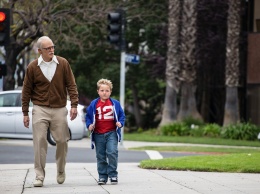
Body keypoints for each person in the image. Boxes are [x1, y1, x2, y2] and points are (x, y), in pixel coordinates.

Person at [22, 36, 79, 187]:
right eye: (48, 48)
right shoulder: (33, 67)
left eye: (53, 47)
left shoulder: (63, 63)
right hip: (40, 108)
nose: (51, 50)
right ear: (40, 51)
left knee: (62, 140)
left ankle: (61, 169)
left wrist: (74, 104)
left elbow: (71, 85)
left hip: (59, 108)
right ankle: (39, 176)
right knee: (40, 141)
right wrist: (25, 113)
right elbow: (26, 91)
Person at [86, 78, 125, 185]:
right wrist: (89, 125)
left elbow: (122, 115)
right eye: (102, 90)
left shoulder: (115, 104)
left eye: (107, 90)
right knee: (101, 156)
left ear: (110, 92)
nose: (104, 93)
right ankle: (102, 176)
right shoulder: (94, 104)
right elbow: (88, 117)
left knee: (112, 153)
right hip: (98, 134)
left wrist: (120, 123)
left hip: (111, 132)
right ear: (98, 91)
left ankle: (113, 174)